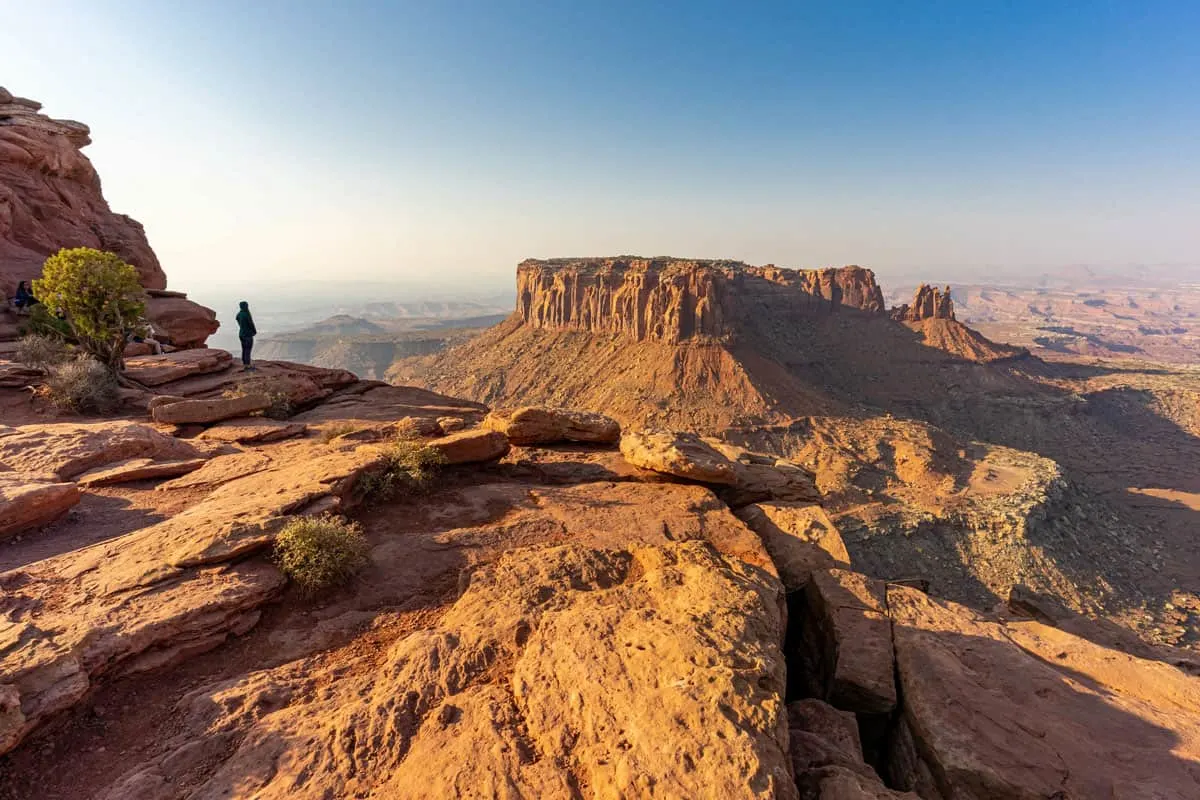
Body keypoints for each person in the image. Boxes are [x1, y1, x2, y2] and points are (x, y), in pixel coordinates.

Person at [235, 300, 257, 370]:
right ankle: (247, 365)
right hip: (248, 334)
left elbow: (237, 319)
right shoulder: (246, 314)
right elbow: (251, 324)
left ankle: (244, 363)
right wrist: (254, 331)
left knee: (244, 349)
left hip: (241, 334)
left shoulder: (239, 314)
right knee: (248, 349)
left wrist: (241, 326)